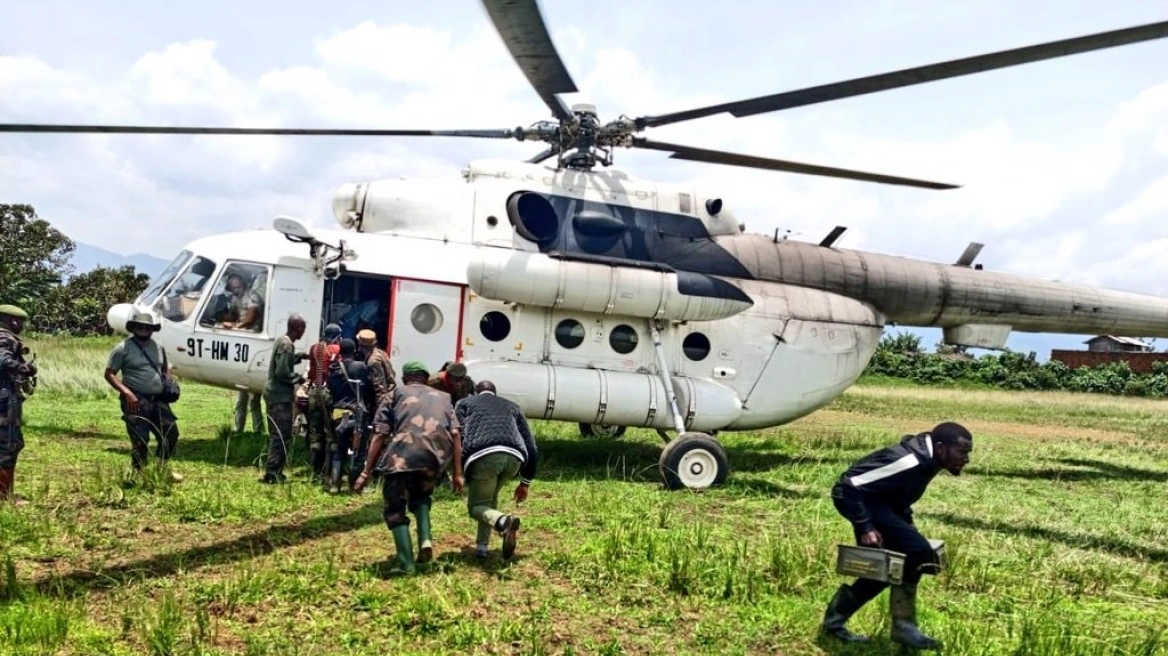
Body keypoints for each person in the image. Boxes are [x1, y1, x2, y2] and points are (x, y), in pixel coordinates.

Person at [820, 422, 973, 650]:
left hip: (884, 506)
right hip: (862, 503)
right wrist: (865, 527)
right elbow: (848, 485)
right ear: (941, 448)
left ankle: (833, 622)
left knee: (881, 570)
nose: (966, 459)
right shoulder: (908, 461)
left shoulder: (929, 459)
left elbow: (895, 492)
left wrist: (906, 523)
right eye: (962, 452)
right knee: (918, 552)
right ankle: (904, 626)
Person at [355, 361, 462, 575]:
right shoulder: (444, 398)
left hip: (402, 458)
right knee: (421, 498)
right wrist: (458, 473)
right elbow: (456, 434)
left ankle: (406, 564)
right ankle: (425, 540)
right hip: (434, 460)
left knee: (395, 509)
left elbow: (379, 435)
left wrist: (366, 471)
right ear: (425, 377)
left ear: (405, 378)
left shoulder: (394, 394)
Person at [454, 380, 537, 559]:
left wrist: (457, 471)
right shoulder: (513, 407)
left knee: (476, 507)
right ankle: (482, 547)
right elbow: (531, 444)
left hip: (485, 457)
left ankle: (503, 521)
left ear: (476, 392)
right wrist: (525, 482)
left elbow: (456, 435)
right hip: (514, 459)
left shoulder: (465, 403)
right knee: (488, 502)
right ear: (495, 392)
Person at [103, 312, 183, 482]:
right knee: (140, 439)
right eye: (140, 326)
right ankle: (138, 473)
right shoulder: (122, 348)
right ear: (133, 328)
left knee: (171, 434)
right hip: (136, 400)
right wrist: (127, 393)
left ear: (152, 329)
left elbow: (165, 368)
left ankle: (162, 469)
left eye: (148, 327)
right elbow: (109, 374)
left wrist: (169, 382)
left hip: (158, 399)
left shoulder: (158, 346)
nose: (144, 329)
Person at [261, 313, 307, 484]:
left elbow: (284, 362)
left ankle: (273, 471)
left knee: (277, 434)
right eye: (303, 329)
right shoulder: (287, 345)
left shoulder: (282, 341)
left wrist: (300, 356)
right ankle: (272, 473)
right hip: (279, 397)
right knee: (281, 435)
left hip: (274, 394)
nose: (303, 332)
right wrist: (299, 379)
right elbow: (282, 372)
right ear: (298, 329)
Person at [325, 338, 372, 494]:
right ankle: (355, 485)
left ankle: (334, 484)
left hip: (337, 413)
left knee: (339, 449)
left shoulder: (334, 369)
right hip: (355, 414)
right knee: (360, 450)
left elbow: (330, 391)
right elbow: (368, 389)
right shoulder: (360, 367)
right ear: (354, 351)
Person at [0, 304, 36, 505]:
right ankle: (4, 497)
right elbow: (3, 361)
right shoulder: (5, 338)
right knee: (8, 446)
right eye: (20, 322)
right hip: (4, 401)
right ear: (13, 321)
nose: (21, 326)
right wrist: (24, 368)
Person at [305, 323, 342, 476]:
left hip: (313, 391)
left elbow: (311, 372)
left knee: (315, 432)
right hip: (327, 393)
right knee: (330, 434)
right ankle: (328, 473)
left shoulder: (315, 348)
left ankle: (314, 472)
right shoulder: (336, 350)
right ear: (337, 336)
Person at [356, 329, 396, 409]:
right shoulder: (381, 353)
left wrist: (380, 411)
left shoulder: (373, 362)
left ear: (361, 345)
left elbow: (380, 388)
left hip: (382, 402)